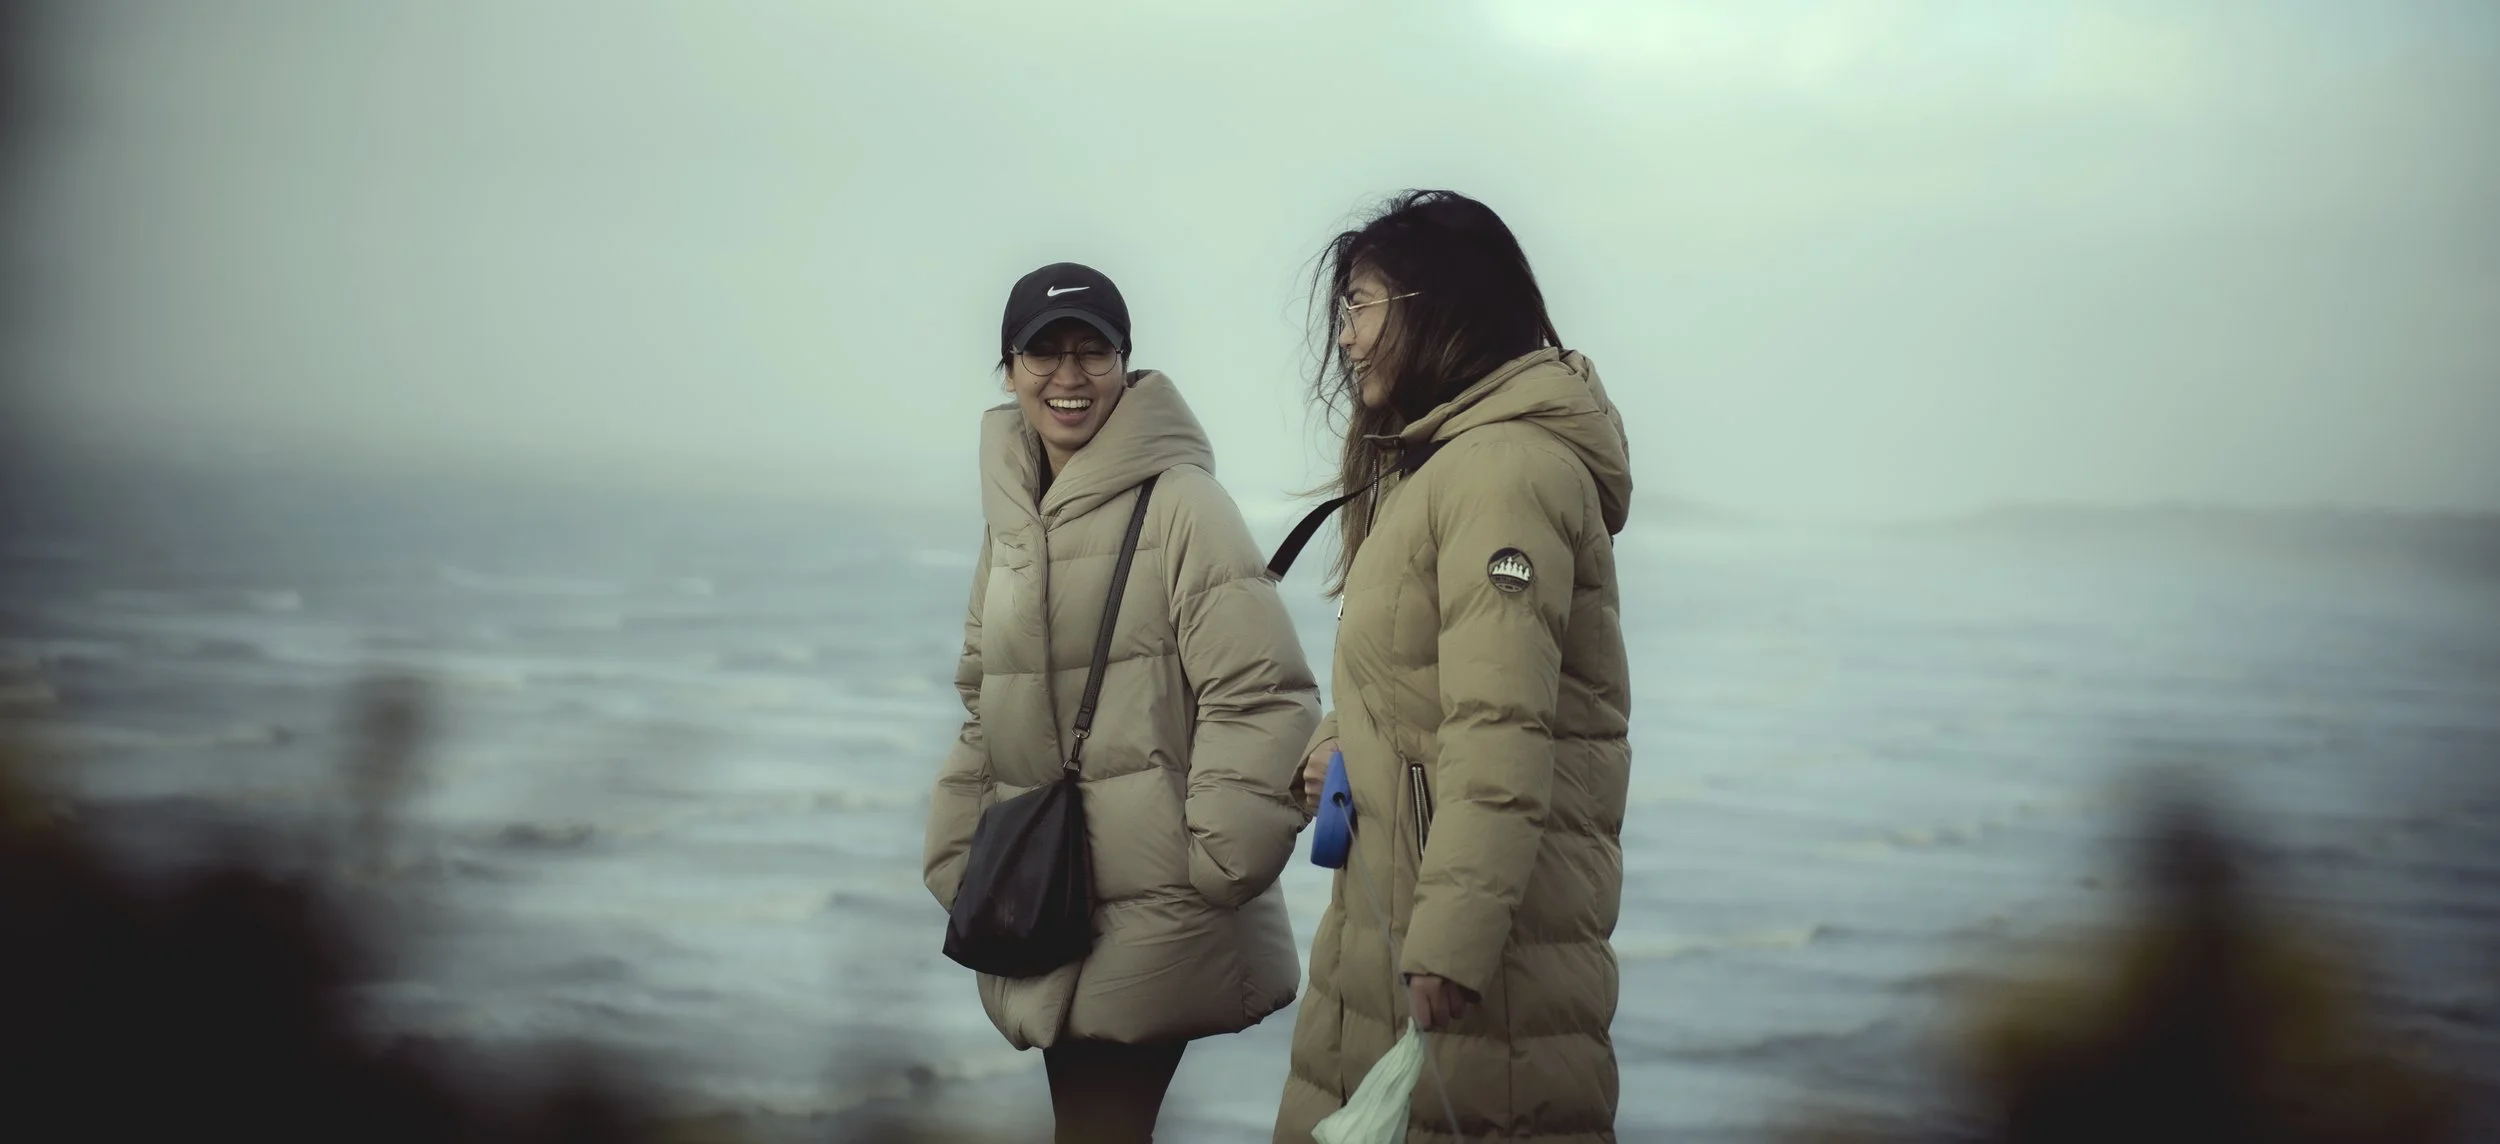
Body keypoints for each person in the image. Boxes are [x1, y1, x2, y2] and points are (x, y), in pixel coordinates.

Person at [923, 262, 1321, 1144]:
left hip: (1155, 904)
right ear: (1009, 368)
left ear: (1126, 363)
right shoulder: (1017, 518)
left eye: (1092, 352)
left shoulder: (1184, 505)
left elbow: (1260, 689)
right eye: (1044, 353)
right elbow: (983, 691)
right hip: (1049, 896)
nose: (1069, 378)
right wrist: (956, 848)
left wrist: (1218, 855)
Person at [1271, 192, 1634, 1144]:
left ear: (1441, 308)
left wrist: (1451, 947)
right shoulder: (1439, 467)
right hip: (1394, 920)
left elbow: (1500, 726)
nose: (1345, 339)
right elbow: (1412, 679)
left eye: (1359, 304)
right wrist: (1340, 736)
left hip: (1469, 970)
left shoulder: (1502, 472)